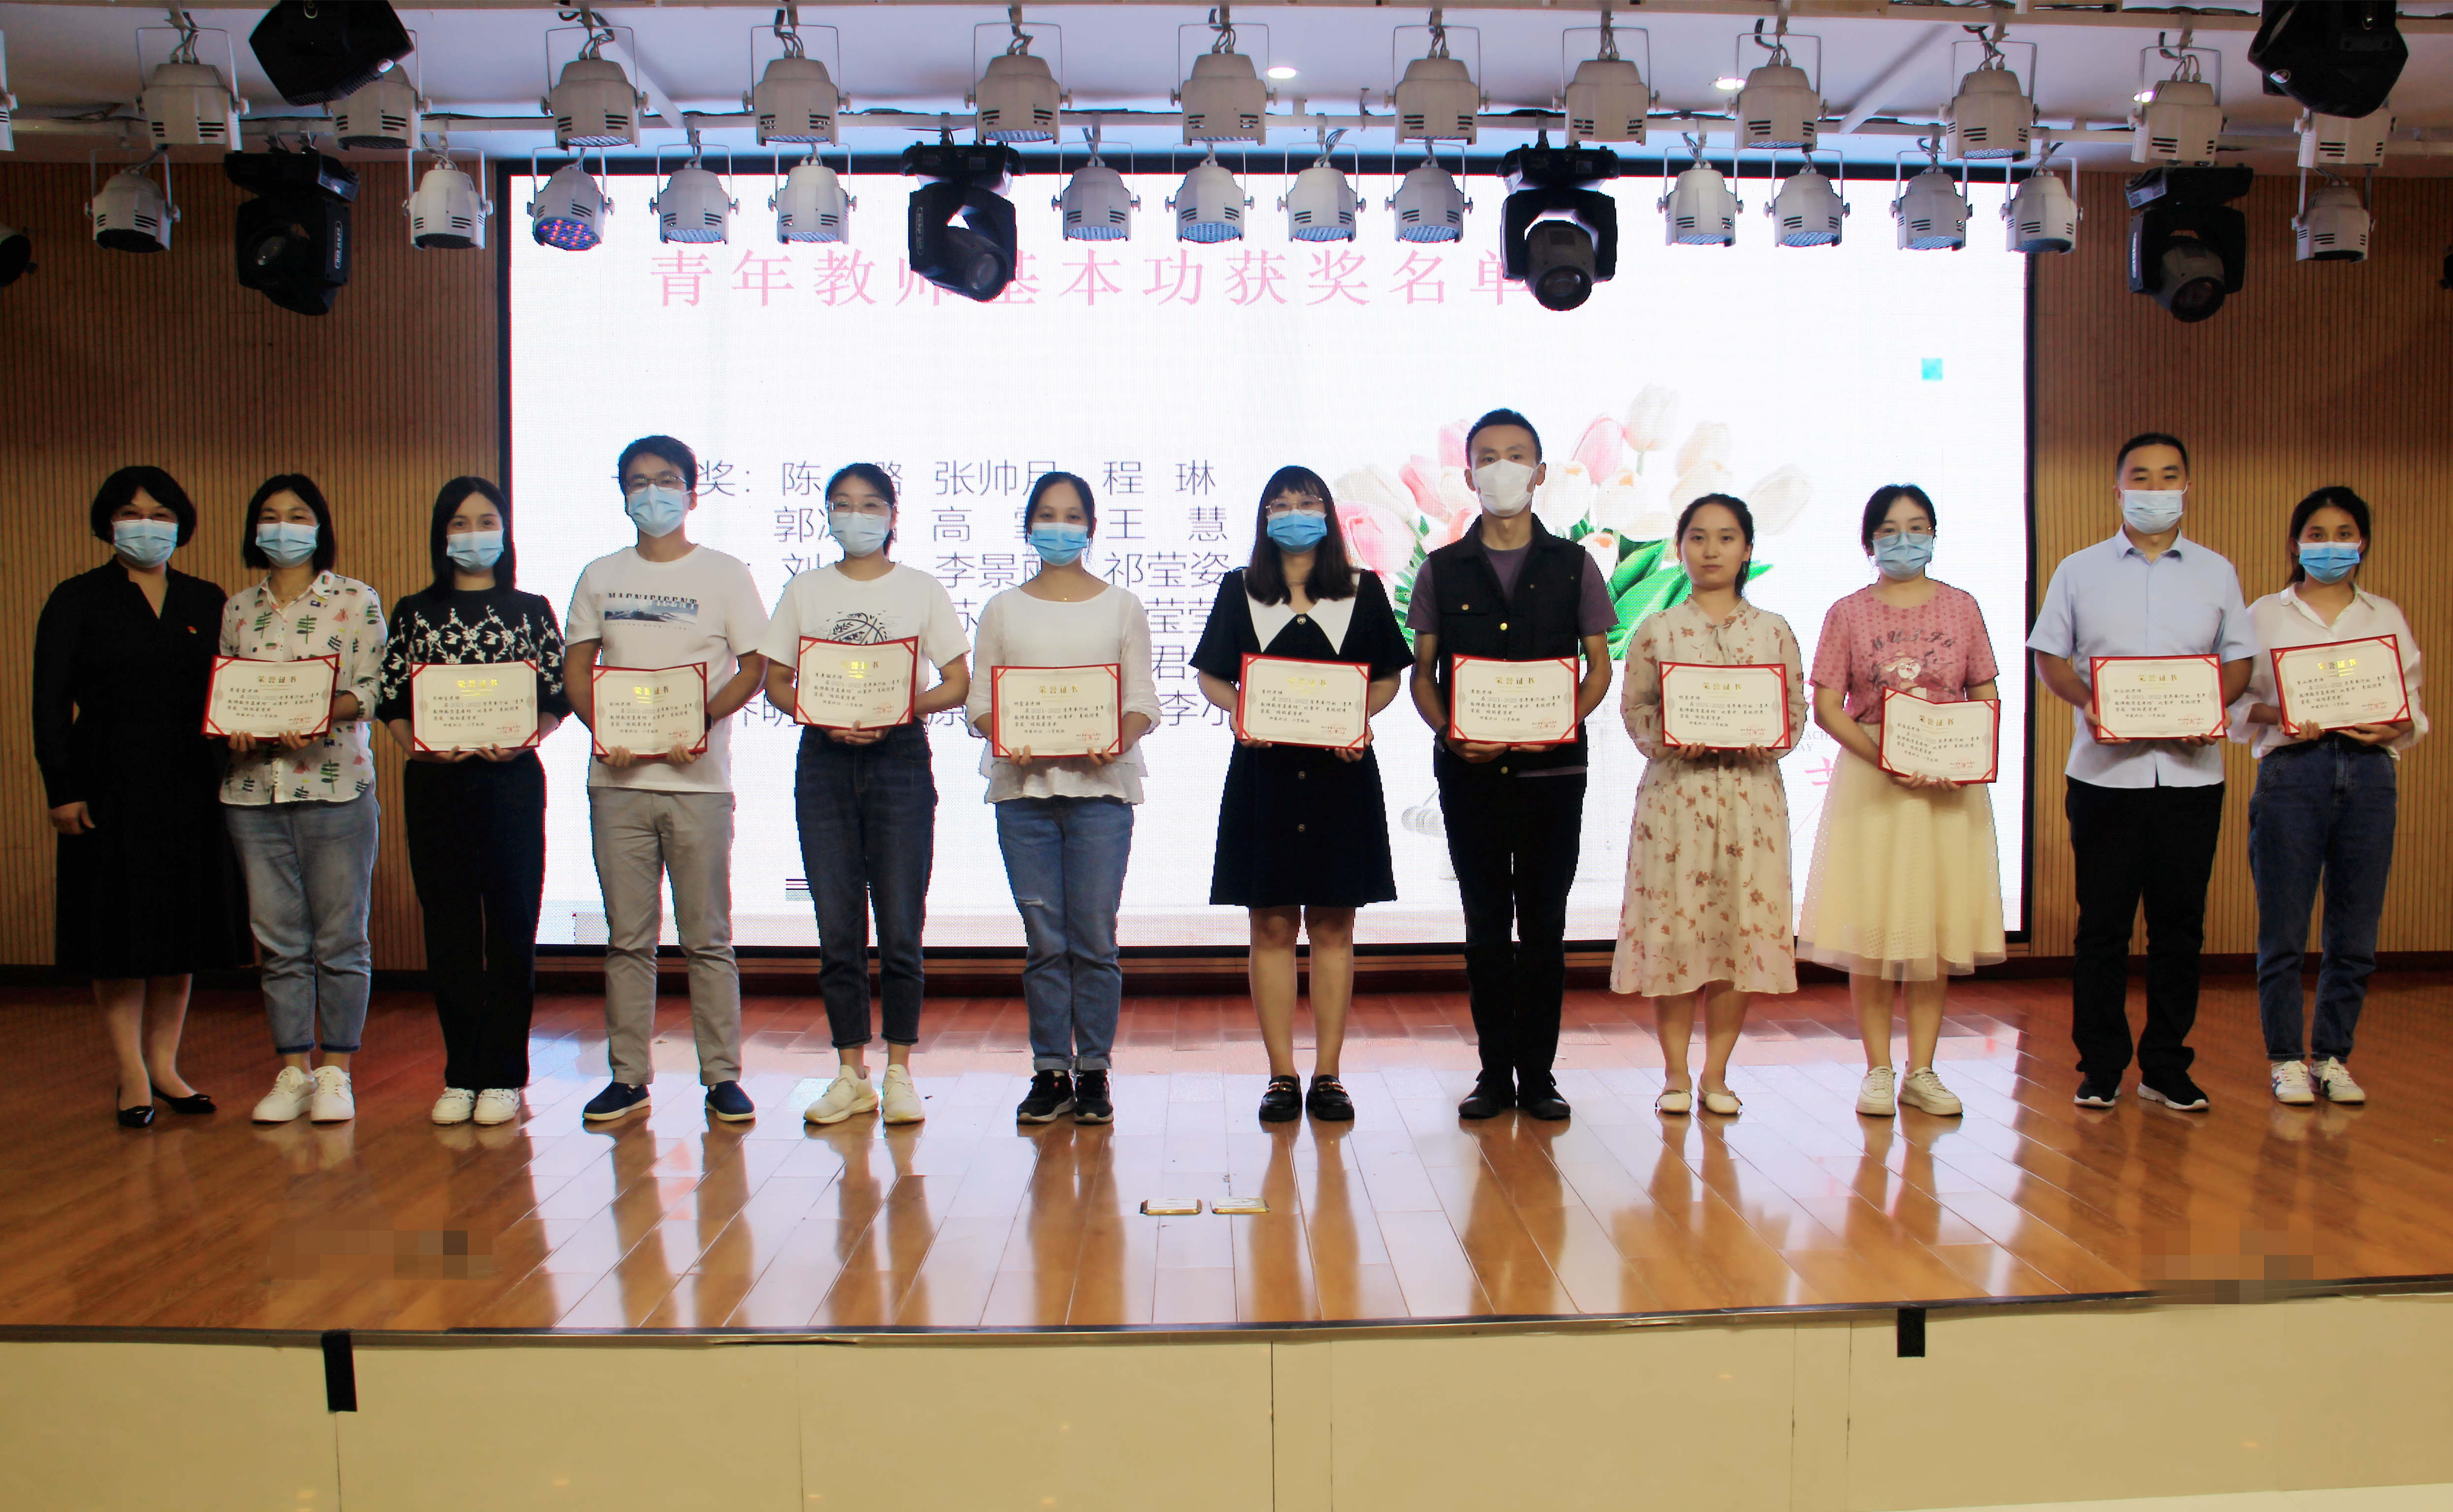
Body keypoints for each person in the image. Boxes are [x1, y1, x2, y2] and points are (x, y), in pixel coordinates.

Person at [2027, 432, 2256, 1112]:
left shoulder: (2216, 572)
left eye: (2168, 477)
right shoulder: (2079, 570)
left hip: (2192, 778)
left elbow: (2239, 660)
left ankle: (2165, 1067)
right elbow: (2050, 657)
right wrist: (2090, 702)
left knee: (2179, 929)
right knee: (2102, 928)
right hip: (2105, 778)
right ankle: (2100, 1066)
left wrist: (2211, 708)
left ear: (2187, 487)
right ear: (2118, 488)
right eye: (2142, 477)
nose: (2155, 490)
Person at [1406, 410, 1617, 1122]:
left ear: (1541, 472)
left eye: (1517, 456)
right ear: (1469, 476)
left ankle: (1541, 1077)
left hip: (1554, 777)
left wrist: (1562, 721)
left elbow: (1598, 667)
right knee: (1486, 927)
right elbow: (1423, 675)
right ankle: (1495, 1075)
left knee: (1546, 928)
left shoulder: (1575, 565)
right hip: (1469, 777)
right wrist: (1449, 731)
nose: (1503, 469)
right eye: (1488, 458)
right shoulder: (1441, 570)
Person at [1192, 467, 1412, 1124]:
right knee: (1270, 925)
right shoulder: (1240, 590)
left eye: (1307, 502)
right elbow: (1211, 676)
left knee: (1335, 925)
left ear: (1328, 514)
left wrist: (1359, 719)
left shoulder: (1362, 591)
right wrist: (1241, 711)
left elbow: (1387, 677)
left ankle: (1329, 1074)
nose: (1294, 513)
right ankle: (1281, 1074)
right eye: (1280, 504)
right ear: (1264, 517)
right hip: (1264, 778)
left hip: (1341, 775)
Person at [565, 436, 771, 1126]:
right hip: (617, 782)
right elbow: (577, 670)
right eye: (638, 482)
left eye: (666, 480)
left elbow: (754, 666)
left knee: (707, 937)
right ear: (623, 494)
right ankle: (628, 1077)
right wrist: (606, 730)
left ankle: (722, 1077)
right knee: (629, 938)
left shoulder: (725, 573)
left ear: (691, 492)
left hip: (699, 782)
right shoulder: (600, 575)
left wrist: (699, 720)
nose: (652, 493)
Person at [33, 466, 247, 1127]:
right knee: (116, 931)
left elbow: (231, 690)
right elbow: (48, 703)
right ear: (108, 522)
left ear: (181, 524)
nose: (146, 525)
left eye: (160, 514)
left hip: (191, 783)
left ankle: (165, 1065)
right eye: (131, 513)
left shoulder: (207, 599)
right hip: (107, 784)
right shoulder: (76, 599)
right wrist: (62, 789)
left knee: (180, 928)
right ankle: (130, 1071)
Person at [759, 463, 970, 1128]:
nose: (857, 517)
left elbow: (958, 681)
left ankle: (899, 1070)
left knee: (902, 925)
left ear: (892, 516)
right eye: (843, 505)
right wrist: (819, 714)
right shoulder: (805, 589)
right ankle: (850, 1074)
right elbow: (776, 681)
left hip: (898, 758)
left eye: (871, 505)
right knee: (837, 926)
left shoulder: (921, 588)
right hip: (824, 760)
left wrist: (902, 709)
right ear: (826, 515)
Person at [1797, 485, 2006, 1119]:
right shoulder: (1846, 612)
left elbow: (1985, 692)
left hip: (1948, 786)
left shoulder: (1962, 607)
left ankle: (1923, 1070)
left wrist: (1961, 757)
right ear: (1869, 543)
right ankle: (1877, 1070)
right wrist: (1884, 756)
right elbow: (1826, 705)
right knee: (1874, 926)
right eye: (1889, 530)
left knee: (1931, 929)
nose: (1904, 540)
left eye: (1917, 527)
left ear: (1935, 535)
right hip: (1875, 781)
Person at [968, 471, 1161, 1127]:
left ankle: (1095, 1070)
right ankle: (1051, 1069)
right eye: (1047, 516)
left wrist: (1116, 739)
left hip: (1101, 793)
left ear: (1092, 528)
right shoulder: (1002, 609)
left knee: (1095, 939)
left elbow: (1141, 701)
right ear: (1029, 528)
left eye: (1072, 516)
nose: (1059, 527)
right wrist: (1005, 734)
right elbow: (981, 703)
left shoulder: (1121, 606)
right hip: (1023, 792)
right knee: (1045, 940)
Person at [377, 477, 571, 1128]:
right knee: (450, 927)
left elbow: (558, 695)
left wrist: (528, 737)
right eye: (459, 524)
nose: (473, 535)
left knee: (512, 926)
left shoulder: (531, 609)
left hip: (510, 782)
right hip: (436, 785)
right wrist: (417, 747)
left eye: (486, 522)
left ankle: (505, 1075)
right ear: (441, 535)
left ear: (505, 532)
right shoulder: (414, 611)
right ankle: (461, 1072)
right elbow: (389, 698)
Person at [1611, 495, 1807, 1116]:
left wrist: (1768, 736)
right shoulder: (1657, 630)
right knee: (1674, 934)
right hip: (1675, 800)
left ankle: (1716, 1077)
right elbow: (1636, 708)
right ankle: (1674, 1075)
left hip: (1752, 802)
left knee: (1735, 937)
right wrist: (1668, 737)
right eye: (1698, 537)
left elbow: (1794, 712)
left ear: (1747, 550)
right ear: (1680, 548)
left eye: (1726, 538)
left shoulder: (1774, 630)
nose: (1711, 550)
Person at [2231, 486, 2424, 1106]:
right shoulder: (2264, 614)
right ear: (2295, 544)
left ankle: (2334, 1056)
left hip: (2369, 774)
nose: (2330, 546)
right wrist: (2285, 715)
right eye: (2317, 535)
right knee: (2283, 928)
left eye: (2344, 535)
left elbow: (2411, 711)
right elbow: (2232, 705)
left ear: (2362, 543)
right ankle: (2287, 1059)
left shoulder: (2384, 616)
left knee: (2355, 930)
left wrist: (2393, 726)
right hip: (2293, 773)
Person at [219, 474, 388, 1126]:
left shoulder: (355, 599)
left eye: (297, 515)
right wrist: (233, 725)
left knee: (341, 937)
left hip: (335, 785)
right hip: (252, 791)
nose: (282, 527)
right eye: (270, 515)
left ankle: (336, 1071)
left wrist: (317, 712)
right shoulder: (238, 609)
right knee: (278, 942)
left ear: (319, 527)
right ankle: (293, 1069)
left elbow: (373, 688)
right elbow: (227, 694)